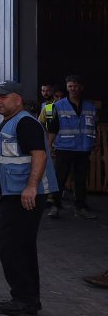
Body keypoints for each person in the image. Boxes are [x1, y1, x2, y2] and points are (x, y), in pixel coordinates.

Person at [0, 80, 58, 316]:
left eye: (3, 97)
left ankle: (24, 298)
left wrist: (31, 187)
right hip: (12, 193)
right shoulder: (9, 122)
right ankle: (27, 298)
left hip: (24, 196)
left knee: (11, 245)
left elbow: (39, 156)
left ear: (18, 98)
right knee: (20, 246)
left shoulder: (26, 123)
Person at [46, 75, 99, 219]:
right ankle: (55, 206)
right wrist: (48, 146)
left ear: (81, 87)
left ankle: (80, 207)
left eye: (75, 86)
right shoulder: (57, 106)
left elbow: (93, 127)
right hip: (64, 148)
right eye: (70, 86)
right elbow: (53, 128)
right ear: (67, 87)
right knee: (59, 179)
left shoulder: (90, 107)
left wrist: (95, 143)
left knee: (81, 180)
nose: (73, 89)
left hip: (83, 149)